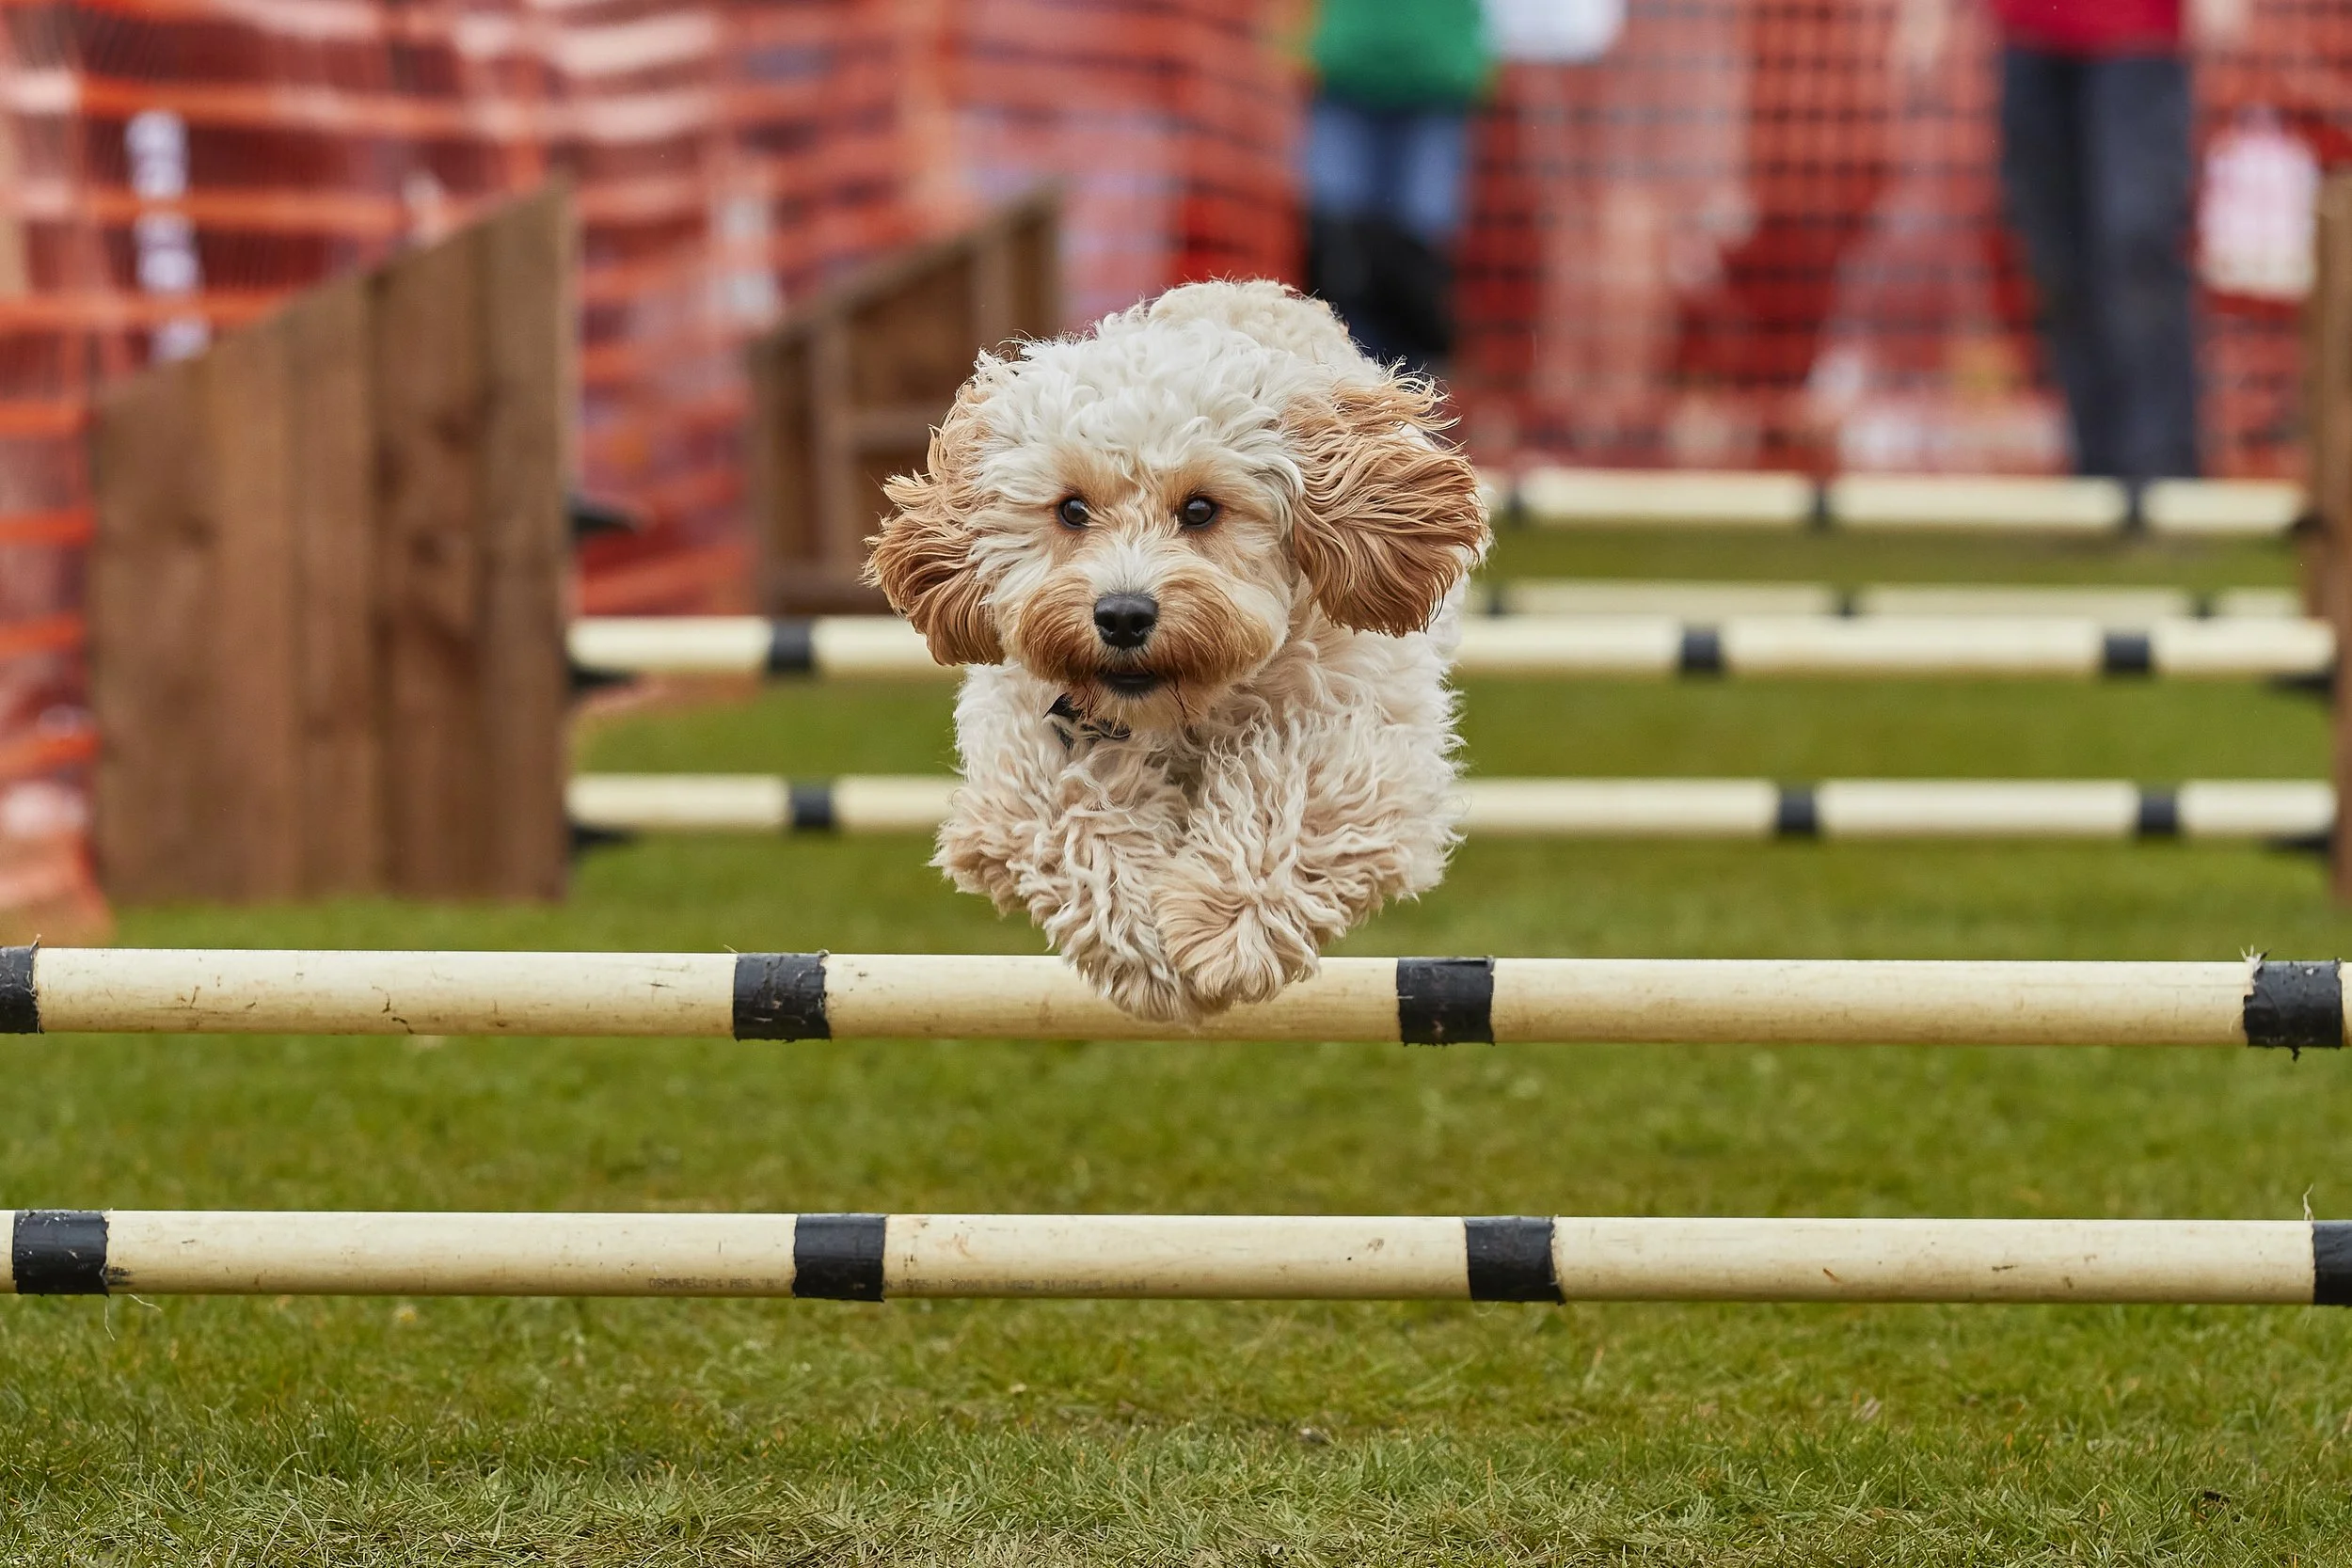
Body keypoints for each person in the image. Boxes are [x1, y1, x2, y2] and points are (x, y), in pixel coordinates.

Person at [1899, 0, 2249, 483]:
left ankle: (2165, 473)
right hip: (2028, 39)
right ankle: (2096, 473)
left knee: (2136, 248)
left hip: (2137, 39)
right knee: (2057, 266)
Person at [1299, 0, 1491, 375]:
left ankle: (1411, 395)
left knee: (1415, 261)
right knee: (1337, 251)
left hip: (1436, 71)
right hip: (1348, 64)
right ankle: (1339, 383)